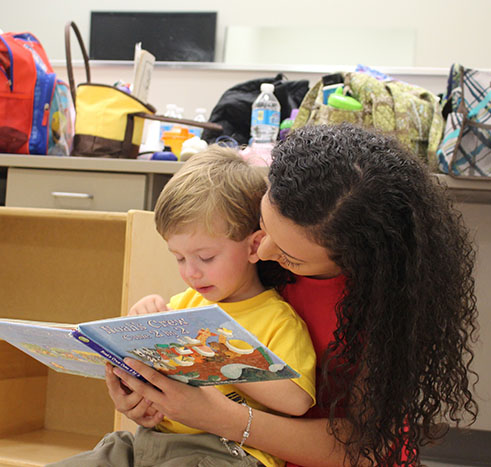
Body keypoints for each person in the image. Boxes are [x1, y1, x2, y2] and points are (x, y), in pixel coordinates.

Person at [106, 124, 479, 466]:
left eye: (290, 256)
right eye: (263, 225)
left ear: (351, 259)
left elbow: (366, 448)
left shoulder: (389, 308)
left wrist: (215, 417)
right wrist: (150, 400)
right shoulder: (247, 262)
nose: (264, 252)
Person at [50, 145, 316, 467]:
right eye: (179, 258)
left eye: (206, 258)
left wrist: (216, 358)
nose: (191, 272)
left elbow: (297, 401)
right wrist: (132, 379)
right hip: (151, 443)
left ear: (255, 246)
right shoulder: (183, 305)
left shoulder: (276, 319)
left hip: (224, 453)